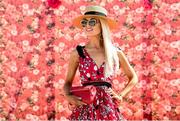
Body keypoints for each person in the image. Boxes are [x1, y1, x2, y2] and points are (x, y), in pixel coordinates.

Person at [63, 5, 138, 120]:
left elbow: (133, 77)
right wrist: (68, 96)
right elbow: (68, 82)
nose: (87, 26)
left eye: (92, 22)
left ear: (102, 25)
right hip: (85, 106)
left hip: (108, 107)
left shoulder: (115, 52)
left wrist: (121, 95)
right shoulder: (78, 53)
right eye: (84, 22)